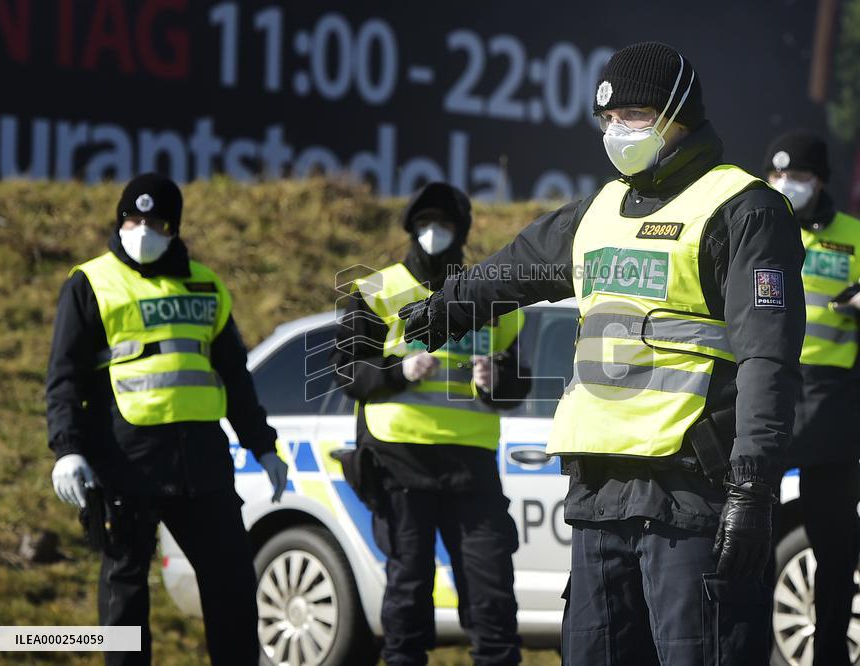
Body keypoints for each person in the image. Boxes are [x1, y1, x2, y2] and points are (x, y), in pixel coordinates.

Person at [398, 43, 808, 666]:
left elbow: (767, 359)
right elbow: (517, 270)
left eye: (634, 115)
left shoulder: (742, 209)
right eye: (608, 120)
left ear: (678, 114)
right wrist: (449, 306)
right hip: (600, 495)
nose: (617, 131)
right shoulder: (598, 213)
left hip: (692, 497)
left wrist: (753, 488)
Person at [46, 173, 288, 666]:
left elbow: (235, 377)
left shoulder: (206, 286)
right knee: (124, 591)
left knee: (233, 584)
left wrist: (262, 445)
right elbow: (64, 376)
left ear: (173, 228)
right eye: (132, 219)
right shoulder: (90, 282)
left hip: (201, 462)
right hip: (124, 460)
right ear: (119, 221)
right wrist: (67, 448)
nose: (141, 229)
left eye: (154, 221)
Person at [331, 182, 530, 666]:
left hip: (471, 463)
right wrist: (399, 372)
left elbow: (517, 384)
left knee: (492, 597)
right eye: (424, 225)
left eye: (442, 225)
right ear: (410, 230)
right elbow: (346, 371)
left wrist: (495, 378)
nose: (432, 233)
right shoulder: (378, 292)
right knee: (408, 593)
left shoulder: (487, 295)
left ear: (460, 232)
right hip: (402, 460)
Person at [764, 130, 860, 666]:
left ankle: (830, 659)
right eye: (776, 175)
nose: (785, 184)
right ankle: (748, 650)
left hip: (833, 409)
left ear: (820, 180)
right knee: (749, 541)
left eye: (796, 176)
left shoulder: (858, 239)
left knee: (836, 550)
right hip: (767, 399)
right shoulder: (755, 222)